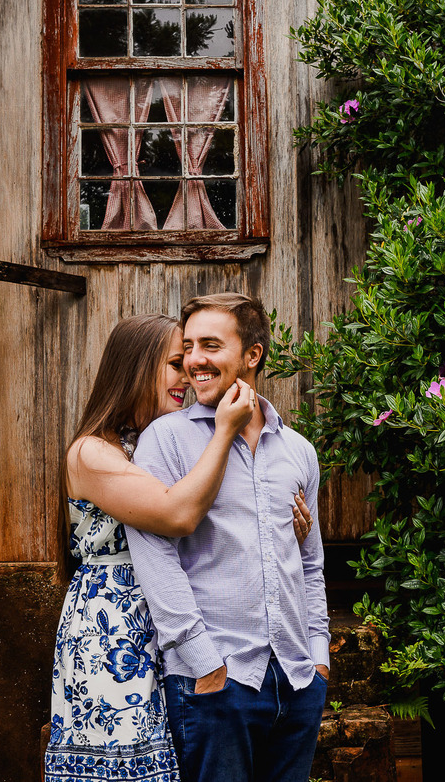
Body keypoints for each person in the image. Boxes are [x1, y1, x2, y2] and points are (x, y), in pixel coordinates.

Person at [43, 313, 314, 782]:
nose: (186, 377)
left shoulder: (157, 443)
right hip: (116, 625)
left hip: (167, 621)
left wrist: (280, 529)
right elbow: (179, 514)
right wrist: (226, 429)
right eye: (174, 363)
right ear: (136, 368)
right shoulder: (92, 452)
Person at [127, 293, 330, 782]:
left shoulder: (298, 451)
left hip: (297, 680)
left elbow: (310, 563)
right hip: (217, 681)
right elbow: (156, 560)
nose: (194, 359)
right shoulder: (166, 439)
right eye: (190, 346)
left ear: (252, 355)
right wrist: (204, 663)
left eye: (211, 345)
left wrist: (318, 659)